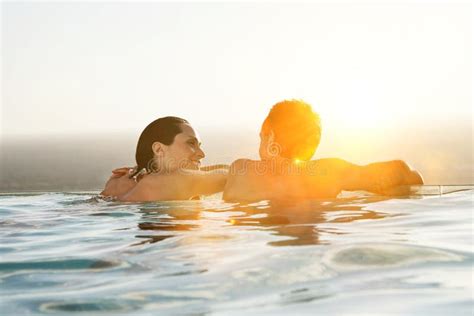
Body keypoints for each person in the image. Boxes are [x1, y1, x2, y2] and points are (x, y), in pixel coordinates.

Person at [223, 100, 423, 202]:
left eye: (262, 136)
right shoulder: (327, 173)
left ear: (270, 135)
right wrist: (391, 188)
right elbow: (404, 173)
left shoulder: (242, 170)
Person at [100, 116, 228, 201]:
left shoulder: (143, 184)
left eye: (199, 146)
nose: (202, 154)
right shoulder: (170, 181)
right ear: (159, 149)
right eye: (191, 143)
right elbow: (230, 175)